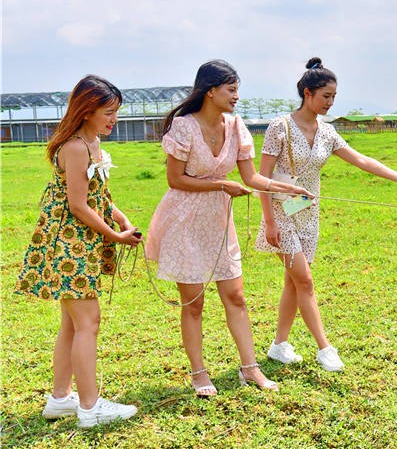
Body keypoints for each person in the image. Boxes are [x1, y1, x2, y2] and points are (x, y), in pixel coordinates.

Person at [145, 60, 312, 397]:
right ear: (210, 91)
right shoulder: (183, 127)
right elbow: (175, 179)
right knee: (193, 302)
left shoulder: (236, 126)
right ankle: (198, 373)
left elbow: (251, 178)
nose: (237, 96)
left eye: (237, 89)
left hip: (219, 222)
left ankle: (250, 368)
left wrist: (287, 188)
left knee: (235, 296)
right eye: (231, 89)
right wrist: (222, 185)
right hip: (184, 220)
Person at [256, 57, 397, 372]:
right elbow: (261, 178)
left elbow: (361, 159)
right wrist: (268, 221)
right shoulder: (280, 126)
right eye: (325, 97)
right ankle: (325, 348)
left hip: (309, 212)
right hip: (280, 212)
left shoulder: (328, 132)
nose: (330, 103)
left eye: (334, 97)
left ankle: (279, 345)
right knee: (304, 281)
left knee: (294, 282)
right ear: (308, 93)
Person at [15, 75, 142, 428]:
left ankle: (60, 398)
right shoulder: (74, 147)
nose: (113, 119)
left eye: (115, 112)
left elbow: (99, 196)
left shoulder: (93, 143)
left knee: (72, 323)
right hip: (69, 245)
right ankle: (90, 407)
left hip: (80, 242)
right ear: (86, 110)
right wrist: (115, 238)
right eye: (108, 112)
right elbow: (78, 205)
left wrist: (122, 220)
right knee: (88, 322)